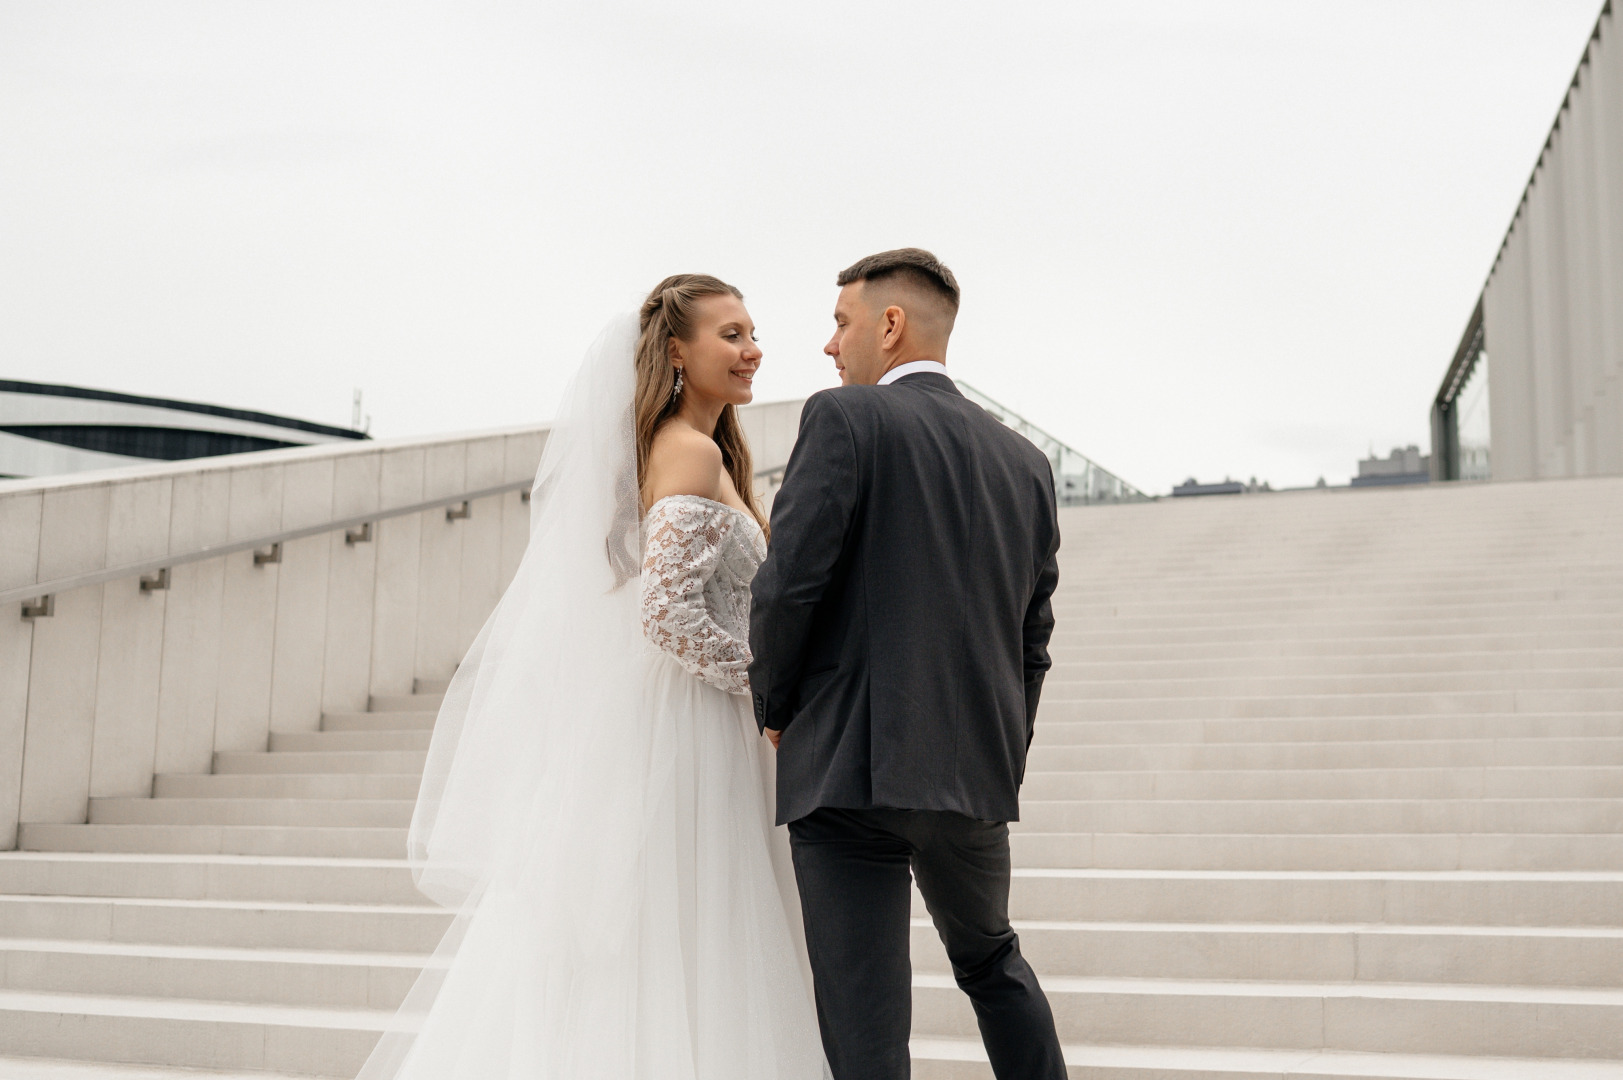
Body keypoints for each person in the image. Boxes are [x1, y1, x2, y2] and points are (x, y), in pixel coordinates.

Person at [357, 275, 826, 1080]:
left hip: (685, 718)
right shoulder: (688, 448)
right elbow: (666, 613)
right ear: (677, 351)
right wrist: (767, 691)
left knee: (674, 938)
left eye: (752, 333)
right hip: (694, 726)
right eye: (732, 334)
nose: (753, 350)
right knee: (690, 936)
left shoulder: (697, 449)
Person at [749, 249, 1067, 1080]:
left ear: (888, 327)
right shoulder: (1026, 465)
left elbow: (788, 589)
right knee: (993, 964)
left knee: (865, 1026)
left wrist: (774, 707)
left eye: (840, 322)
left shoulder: (844, 418)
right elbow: (1033, 639)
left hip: (848, 765)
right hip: (971, 770)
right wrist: (1002, 747)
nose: (829, 346)